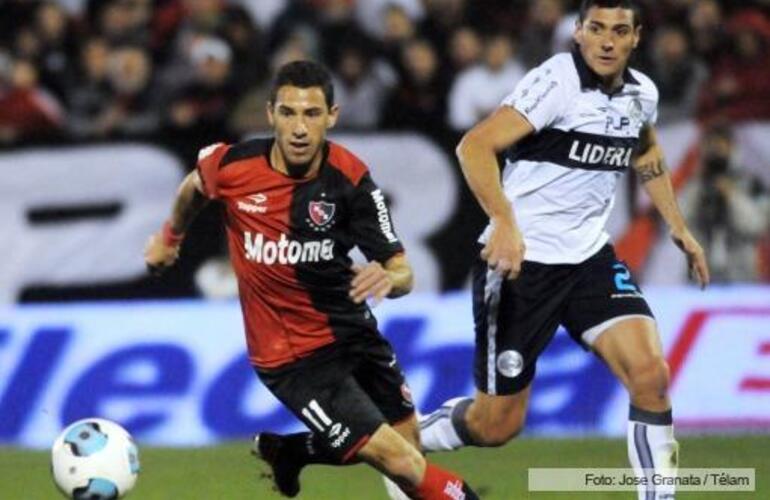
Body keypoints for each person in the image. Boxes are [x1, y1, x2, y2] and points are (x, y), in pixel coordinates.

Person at [144, 60, 479, 500]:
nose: (299, 128)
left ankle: (292, 451)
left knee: (405, 446)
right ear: (270, 114)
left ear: (332, 117)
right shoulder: (233, 166)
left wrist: (388, 277)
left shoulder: (350, 179)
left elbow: (403, 271)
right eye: (288, 113)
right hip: (292, 359)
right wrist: (170, 238)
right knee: (403, 463)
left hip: (353, 332)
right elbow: (193, 187)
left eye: (312, 114)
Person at [417, 2, 710, 500]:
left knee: (651, 376)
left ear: (637, 38)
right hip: (520, 264)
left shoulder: (643, 94)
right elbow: (474, 146)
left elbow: (646, 149)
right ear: (578, 32)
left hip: (589, 260)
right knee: (496, 426)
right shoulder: (557, 81)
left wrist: (678, 226)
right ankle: (403, 444)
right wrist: (505, 223)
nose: (607, 41)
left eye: (619, 31)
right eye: (596, 29)